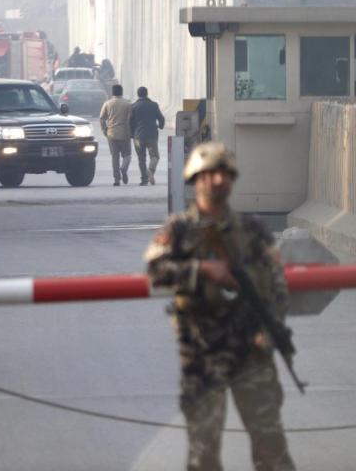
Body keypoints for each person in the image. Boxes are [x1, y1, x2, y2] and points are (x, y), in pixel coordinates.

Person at [145, 142, 296, 471]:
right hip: (202, 353)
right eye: (209, 174)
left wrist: (269, 331)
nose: (217, 181)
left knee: (271, 447)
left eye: (224, 174)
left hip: (251, 351)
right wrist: (202, 271)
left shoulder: (253, 231)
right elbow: (155, 271)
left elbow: (277, 285)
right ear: (195, 179)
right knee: (204, 453)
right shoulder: (179, 230)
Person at [129, 86, 165, 185]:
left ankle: (144, 179)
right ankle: (150, 171)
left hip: (138, 136)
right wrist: (161, 126)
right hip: (152, 134)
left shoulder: (133, 106)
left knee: (141, 157)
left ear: (138, 94)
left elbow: (130, 122)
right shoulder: (154, 105)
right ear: (147, 93)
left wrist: (132, 134)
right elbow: (161, 118)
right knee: (155, 156)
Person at [98, 84, 132, 186]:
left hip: (111, 133)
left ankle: (117, 180)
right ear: (122, 92)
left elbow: (102, 118)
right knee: (127, 155)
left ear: (112, 93)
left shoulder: (107, 104)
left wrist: (104, 130)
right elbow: (130, 120)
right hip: (124, 133)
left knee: (115, 157)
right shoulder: (127, 104)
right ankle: (124, 168)